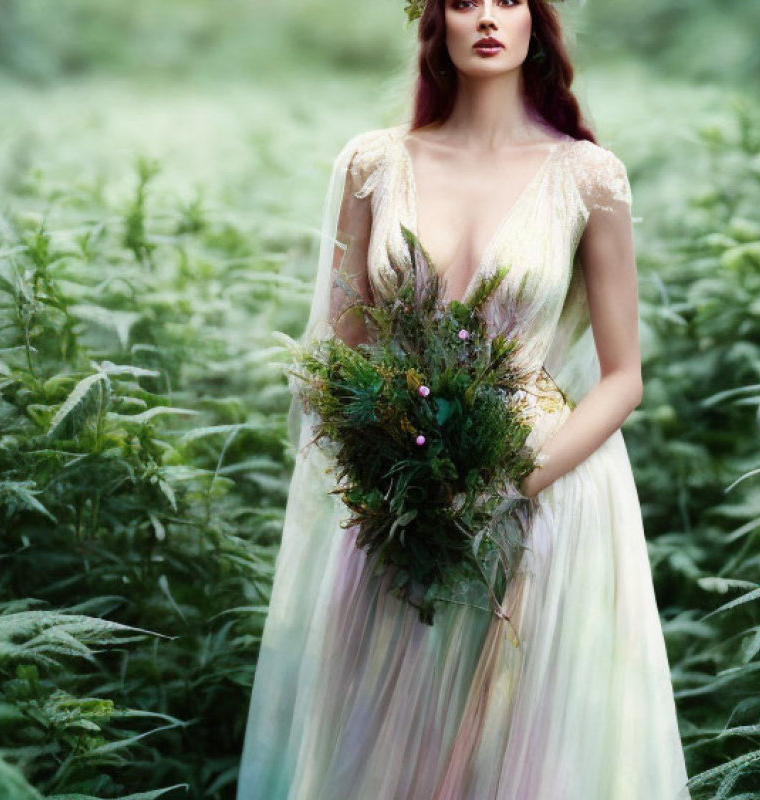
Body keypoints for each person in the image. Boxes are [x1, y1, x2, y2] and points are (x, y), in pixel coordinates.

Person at [237, 1, 692, 798]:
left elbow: (624, 376)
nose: (486, 17)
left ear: (536, 21)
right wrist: (382, 473)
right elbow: (338, 355)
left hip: (546, 495)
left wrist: (512, 480)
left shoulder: (589, 176)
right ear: (435, 20)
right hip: (400, 491)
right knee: (385, 744)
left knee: (524, 750)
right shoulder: (373, 163)